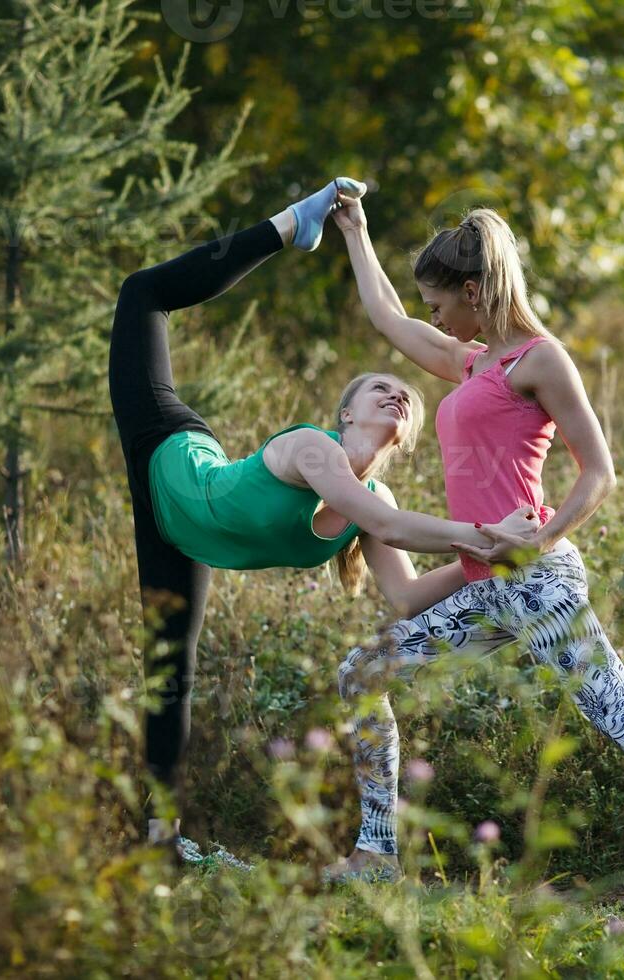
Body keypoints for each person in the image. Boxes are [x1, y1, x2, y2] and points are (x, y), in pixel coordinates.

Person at [326, 193, 624, 910]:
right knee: (362, 671)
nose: (435, 318)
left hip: (538, 586)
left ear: (474, 293)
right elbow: (388, 316)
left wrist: (538, 538)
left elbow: (598, 471)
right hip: (486, 593)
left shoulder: (538, 361)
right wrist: (356, 230)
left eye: (441, 304)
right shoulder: (472, 364)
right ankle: (377, 853)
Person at [108, 178, 536, 860]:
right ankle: (287, 225)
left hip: (184, 535)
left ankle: (161, 843)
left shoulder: (377, 508)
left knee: (171, 670)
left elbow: (405, 595)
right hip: (168, 453)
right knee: (142, 293)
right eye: (378, 387)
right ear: (346, 414)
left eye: (404, 394)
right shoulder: (314, 450)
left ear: (407, 435)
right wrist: (484, 535)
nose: (396, 391)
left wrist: (487, 560)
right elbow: (394, 527)